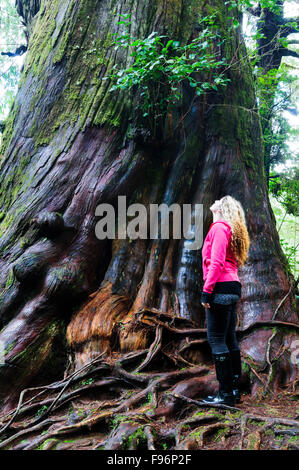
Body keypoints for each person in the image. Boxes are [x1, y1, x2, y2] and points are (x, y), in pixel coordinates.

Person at [200, 195, 250, 405]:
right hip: (232, 286)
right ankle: (234, 391)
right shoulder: (231, 230)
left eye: (219, 201)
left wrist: (207, 291)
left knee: (217, 340)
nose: (216, 201)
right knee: (229, 338)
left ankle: (225, 395)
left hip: (219, 286)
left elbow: (217, 262)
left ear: (221, 209)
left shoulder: (219, 228)